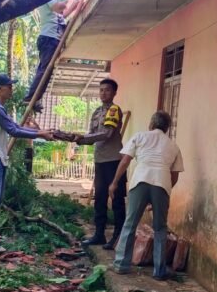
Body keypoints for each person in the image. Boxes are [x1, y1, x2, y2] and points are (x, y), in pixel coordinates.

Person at [109, 111, 184, 281]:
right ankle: (159, 270)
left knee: (130, 223)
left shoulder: (140, 136)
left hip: (140, 180)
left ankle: (121, 264)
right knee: (160, 228)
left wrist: (114, 182)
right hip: (162, 183)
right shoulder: (173, 145)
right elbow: (175, 176)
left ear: (151, 124)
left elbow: (125, 161)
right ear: (167, 128)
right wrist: (164, 190)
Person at [0, 74, 54, 242]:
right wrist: (40, 133)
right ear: (0, 89)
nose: (12, 90)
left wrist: (39, 133)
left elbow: (14, 126)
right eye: (9, 86)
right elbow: (13, 131)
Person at [72, 79, 127, 250]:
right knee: (100, 199)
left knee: (117, 200)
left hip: (114, 161)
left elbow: (106, 134)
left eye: (107, 90)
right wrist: (77, 139)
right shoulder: (96, 112)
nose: (103, 93)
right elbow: (91, 136)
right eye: (101, 90)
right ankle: (99, 234)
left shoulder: (114, 110)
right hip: (100, 161)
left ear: (114, 93)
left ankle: (118, 238)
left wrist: (83, 138)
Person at [24, 0, 81, 111]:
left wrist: (75, 7)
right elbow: (60, 7)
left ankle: (35, 98)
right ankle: (31, 97)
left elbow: (62, 15)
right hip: (49, 38)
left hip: (52, 38)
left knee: (47, 71)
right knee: (45, 70)